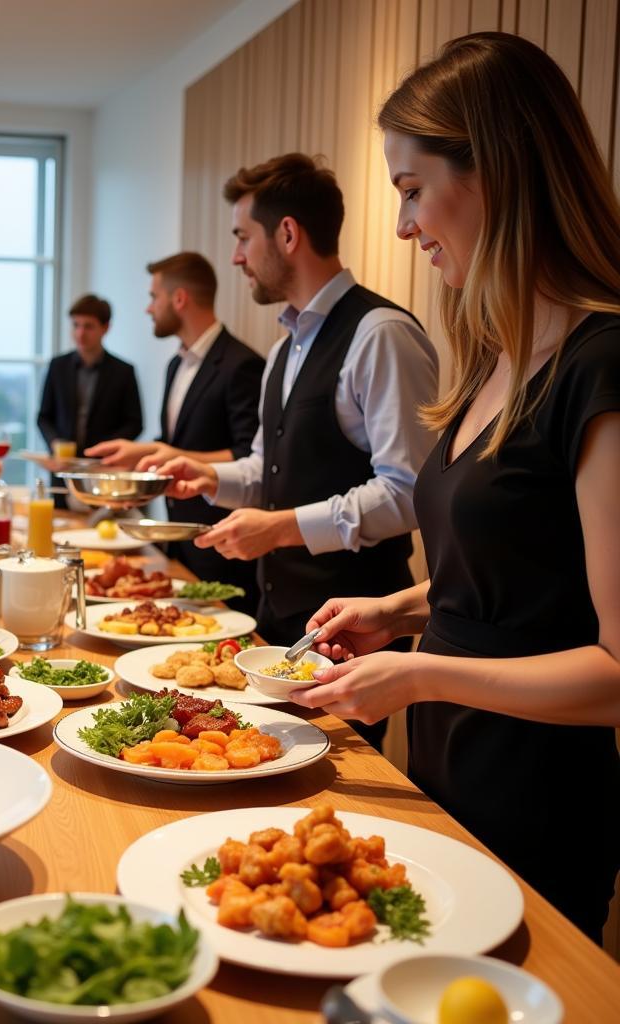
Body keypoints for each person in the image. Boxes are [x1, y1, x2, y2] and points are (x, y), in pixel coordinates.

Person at [289, 33, 620, 941]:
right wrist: (397, 609)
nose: (402, 227)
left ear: (499, 172)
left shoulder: (603, 364)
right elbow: (523, 567)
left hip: (535, 793)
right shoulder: (494, 362)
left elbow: (616, 669)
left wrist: (423, 668)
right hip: (441, 767)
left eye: (409, 190)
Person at [153, 157, 438, 749]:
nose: (236, 257)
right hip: (279, 616)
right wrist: (209, 475)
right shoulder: (284, 349)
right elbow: (268, 467)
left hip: (355, 632)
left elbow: (408, 491)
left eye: (242, 238)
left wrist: (282, 529)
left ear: (287, 234)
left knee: (337, 788)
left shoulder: (380, 334)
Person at [87, 254, 263, 612]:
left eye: (154, 297)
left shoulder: (242, 364)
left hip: (223, 548)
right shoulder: (174, 365)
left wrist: (172, 455)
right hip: (180, 541)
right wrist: (140, 463)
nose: (149, 308)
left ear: (179, 298)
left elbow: (249, 455)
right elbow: (177, 443)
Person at [37, 293, 143, 505]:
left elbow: (135, 423)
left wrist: (105, 452)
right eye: (75, 325)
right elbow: (43, 417)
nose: (80, 333)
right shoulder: (57, 366)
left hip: (104, 473)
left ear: (105, 328)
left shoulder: (124, 371)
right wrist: (55, 443)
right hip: (62, 471)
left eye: (88, 326)